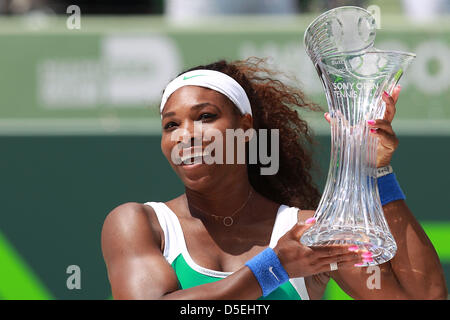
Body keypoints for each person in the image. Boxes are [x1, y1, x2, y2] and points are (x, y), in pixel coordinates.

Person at [101, 58, 447, 300]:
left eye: (205, 116)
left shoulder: (307, 232)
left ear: (245, 130)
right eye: (171, 125)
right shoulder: (138, 223)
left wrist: (376, 172)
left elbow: (426, 297)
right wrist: (274, 267)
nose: (184, 136)